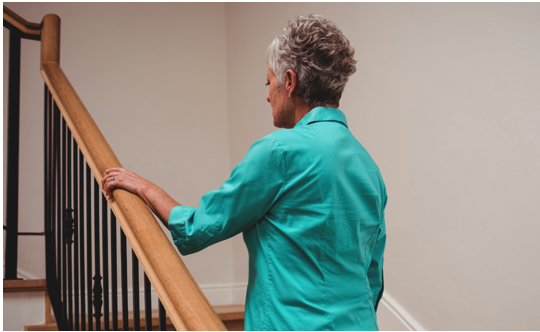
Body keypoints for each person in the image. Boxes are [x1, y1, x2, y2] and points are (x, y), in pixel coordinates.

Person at [102, 14, 386, 331]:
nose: (267, 94)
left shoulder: (279, 151)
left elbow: (199, 228)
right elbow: (372, 275)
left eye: (269, 82)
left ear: (289, 82)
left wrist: (145, 188)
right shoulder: (368, 166)